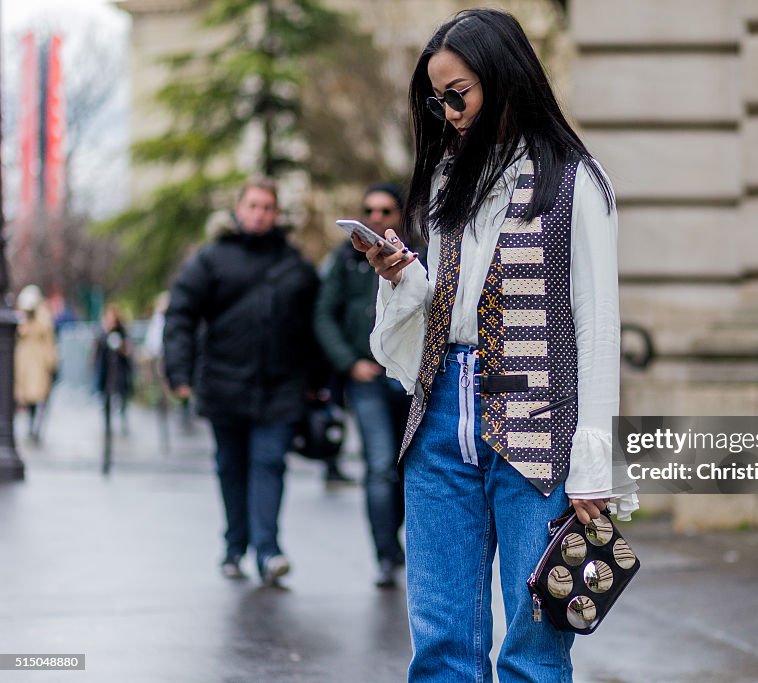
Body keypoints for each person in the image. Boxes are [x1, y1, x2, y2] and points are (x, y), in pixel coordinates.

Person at [359, 9, 638, 682]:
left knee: (535, 647)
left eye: (459, 93)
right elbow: (450, 308)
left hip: (538, 426)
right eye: (438, 98)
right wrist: (404, 280)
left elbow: (597, 321)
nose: (448, 111)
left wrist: (594, 461)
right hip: (438, 420)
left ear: (505, 79)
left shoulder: (576, 180)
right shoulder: (452, 179)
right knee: (441, 645)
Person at [163, 176, 322, 585]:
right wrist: (178, 372)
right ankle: (235, 546)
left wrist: (320, 381)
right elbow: (181, 314)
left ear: (276, 214)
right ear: (238, 210)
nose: (259, 213)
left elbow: (314, 325)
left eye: (267, 207)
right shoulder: (211, 259)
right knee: (231, 466)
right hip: (224, 383)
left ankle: (268, 552)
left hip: (280, 386)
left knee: (270, 463)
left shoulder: (294, 264)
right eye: (252, 205)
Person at [314, 182, 412, 588]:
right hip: (368, 378)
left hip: (407, 378)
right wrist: (349, 363)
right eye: (369, 210)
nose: (376, 218)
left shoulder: (415, 257)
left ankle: (396, 540)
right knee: (378, 465)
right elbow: (324, 315)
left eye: (385, 211)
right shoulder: (344, 260)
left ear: (399, 216)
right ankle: (386, 553)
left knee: (407, 467)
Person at [14, 285, 58, 444]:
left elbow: (49, 342)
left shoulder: (43, 318)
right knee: (28, 399)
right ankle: (31, 426)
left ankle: (36, 428)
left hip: (39, 365)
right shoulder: (22, 319)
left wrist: (52, 363)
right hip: (26, 364)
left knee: (41, 398)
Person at [93, 304, 135, 436]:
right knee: (106, 400)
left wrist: (121, 346)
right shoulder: (102, 334)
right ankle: (107, 425)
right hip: (106, 372)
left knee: (122, 399)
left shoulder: (122, 333)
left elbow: (128, 351)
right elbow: (97, 353)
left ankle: (123, 423)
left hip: (120, 371)